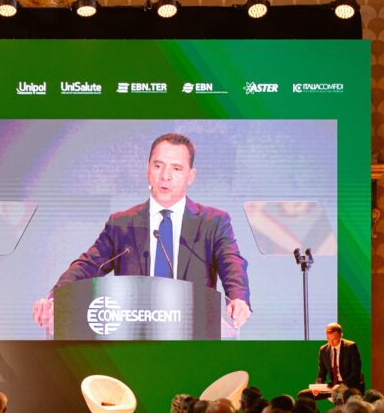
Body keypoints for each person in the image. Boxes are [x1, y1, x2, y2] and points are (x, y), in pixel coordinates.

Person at [32, 133, 251, 333]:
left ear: (190, 176)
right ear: (147, 170)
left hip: (193, 335)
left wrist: (238, 299)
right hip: (134, 335)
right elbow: (88, 265)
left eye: (176, 168)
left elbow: (231, 262)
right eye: (158, 166)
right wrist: (55, 298)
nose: (165, 176)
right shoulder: (122, 224)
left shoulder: (213, 222)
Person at [316, 322, 364, 393]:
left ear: (341, 335)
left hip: (350, 385)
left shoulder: (351, 347)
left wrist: (341, 386)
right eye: (328, 338)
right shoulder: (323, 350)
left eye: (334, 339)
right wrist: (318, 386)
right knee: (305, 394)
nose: (331, 342)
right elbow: (322, 373)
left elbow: (355, 372)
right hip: (333, 386)